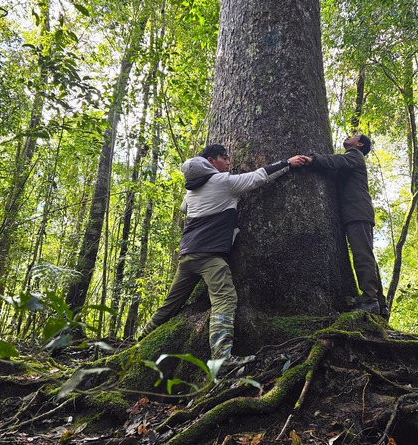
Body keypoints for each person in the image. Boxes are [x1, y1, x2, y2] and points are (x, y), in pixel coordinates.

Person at [139, 144, 310, 368]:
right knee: (224, 299)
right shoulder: (223, 182)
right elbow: (258, 177)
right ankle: (221, 358)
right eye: (224, 157)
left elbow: (183, 208)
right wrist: (288, 163)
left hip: (187, 255)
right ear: (211, 162)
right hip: (209, 256)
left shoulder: (191, 192)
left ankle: (140, 339)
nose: (229, 161)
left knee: (170, 304)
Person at [306, 134, 388, 318]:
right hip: (355, 213)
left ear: (359, 144)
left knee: (362, 256)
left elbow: (335, 161)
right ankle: (380, 304)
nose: (349, 136)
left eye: (353, 136)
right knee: (365, 254)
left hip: (358, 212)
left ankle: (370, 300)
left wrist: (314, 159)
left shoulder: (355, 155)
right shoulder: (350, 161)